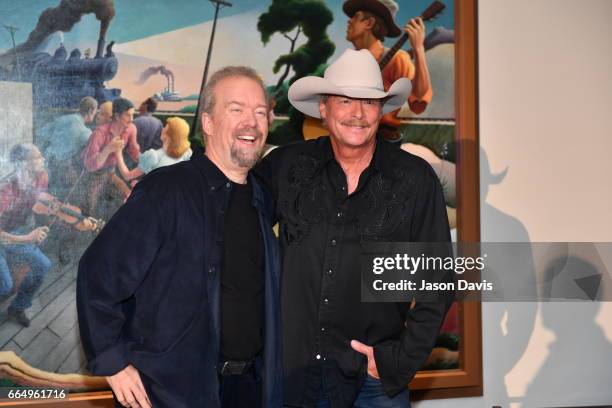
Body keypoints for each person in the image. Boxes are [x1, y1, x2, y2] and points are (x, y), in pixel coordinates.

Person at [77, 66, 282, 408]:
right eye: (236, 110)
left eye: (260, 112)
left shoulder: (262, 197)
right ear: (208, 123)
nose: (252, 122)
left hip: (247, 390)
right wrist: (112, 360)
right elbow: (98, 273)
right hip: (173, 395)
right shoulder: (166, 190)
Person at [257, 49, 452, 407]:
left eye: (370, 102)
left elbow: (437, 280)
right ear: (323, 108)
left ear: (382, 110)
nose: (358, 114)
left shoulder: (414, 179)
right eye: (345, 100)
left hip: (373, 385)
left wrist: (401, 359)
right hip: (292, 376)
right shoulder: (286, 167)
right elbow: (236, 231)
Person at [344, 0, 433, 141]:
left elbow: (418, 104)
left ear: (369, 23)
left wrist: (419, 49)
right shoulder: (348, 62)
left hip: (381, 143)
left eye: (355, 17)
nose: (349, 22)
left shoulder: (397, 59)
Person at [0, 144, 52, 327]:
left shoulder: (40, 177)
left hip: (15, 235)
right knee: (5, 285)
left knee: (43, 265)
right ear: (23, 163)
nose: (42, 159)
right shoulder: (6, 189)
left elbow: (39, 201)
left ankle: (18, 307)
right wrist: (28, 238)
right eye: (37, 157)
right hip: (3, 238)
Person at [81, 97, 140, 219]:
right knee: (90, 210)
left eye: (133, 115)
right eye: (128, 115)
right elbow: (90, 165)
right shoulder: (99, 133)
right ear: (117, 116)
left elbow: (134, 152)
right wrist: (108, 149)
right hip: (93, 176)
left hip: (111, 173)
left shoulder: (131, 129)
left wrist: (149, 165)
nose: (132, 119)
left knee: (128, 196)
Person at [36, 96, 98, 200]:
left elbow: (41, 132)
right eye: (96, 111)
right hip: (63, 170)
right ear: (91, 110)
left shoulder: (63, 119)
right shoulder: (86, 133)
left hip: (47, 164)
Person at [115, 116, 192, 187]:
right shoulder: (186, 152)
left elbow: (127, 176)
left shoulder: (153, 156)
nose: (162, 129)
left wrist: (118, 152)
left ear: (168, 137)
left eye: (165, 128)